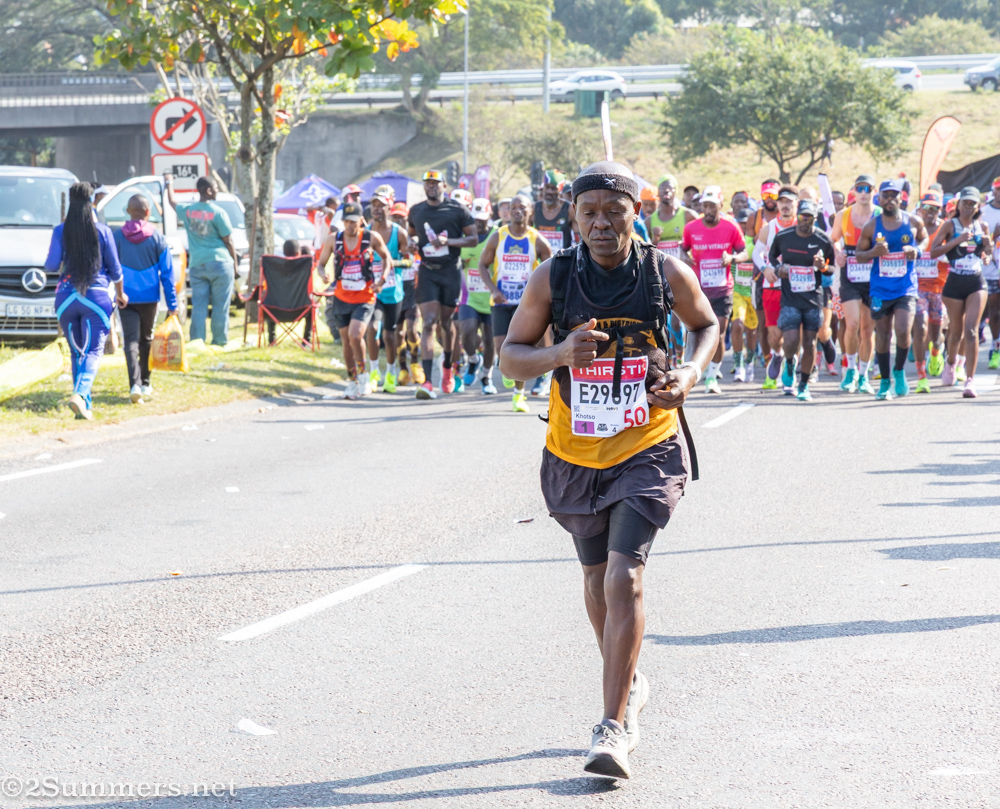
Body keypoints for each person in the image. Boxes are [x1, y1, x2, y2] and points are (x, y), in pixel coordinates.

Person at [499, 161, 717, 780]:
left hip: (648, 444)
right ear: (572, 216)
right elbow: (511, 359)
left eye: (613, 211)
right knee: (596, 580)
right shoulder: (554, 276)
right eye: (588, 212)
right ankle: (629, 680)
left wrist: (689, 374)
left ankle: (612, 727)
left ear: (634, 213)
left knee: (625, 578)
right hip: (574, 453)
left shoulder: (663, 271)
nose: (601, 223)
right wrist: (560, 353)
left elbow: (706, 325)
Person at [44, 182, 127, 420]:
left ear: (71, 203)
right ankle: (80, 394)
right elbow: (116, 270)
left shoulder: (61, 230)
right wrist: (121, 294)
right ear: (92, 202)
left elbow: (50, 265)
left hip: (66, 298)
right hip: (96, 297)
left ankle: (84, 407)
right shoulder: (103, 231)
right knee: (93, 351)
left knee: (76, 352)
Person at [407, 170, 478, 399]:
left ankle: (448, 366)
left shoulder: (457, 209)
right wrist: (410, 244)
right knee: (428, 322)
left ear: (444, 186)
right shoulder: (416, 211)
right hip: (427, 271)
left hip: (450, 272)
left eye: (435, 183)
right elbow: (411, 235)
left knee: (446, 323)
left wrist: (449, 241)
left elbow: (473, 239)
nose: (431, 187)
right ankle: (428, 382)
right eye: (427, 183)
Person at [854, 180, 927, 401]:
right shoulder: (871, 226)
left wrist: (916, 250)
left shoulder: (912, 221)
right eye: (885, 195)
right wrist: (874, 252)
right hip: (880, 288)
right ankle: (885, 382)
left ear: (901, 197)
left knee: (904, 330)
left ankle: (899, 371)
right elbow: (858, 255)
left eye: (893, 195)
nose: (889, 199)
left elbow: (925, 239)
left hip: (905, 287)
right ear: (880, 198)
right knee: (883, 335)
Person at [478, 194, 552, 412]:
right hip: (501, 300)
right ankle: (509, 371)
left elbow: (552, 270)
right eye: (513, 207)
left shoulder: (537, 239)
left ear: (530, 212)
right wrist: (494, 290)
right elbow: (483, 265)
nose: (517, 211)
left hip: (526, 305)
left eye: (522, 207)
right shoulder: (497, 236)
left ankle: (518, 396)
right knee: (502, 349)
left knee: (520, 348)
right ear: (508, 211)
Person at [317, 201, 393, 399]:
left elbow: (387, 259)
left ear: (361, 221)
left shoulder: (371, 238)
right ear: (342, 221)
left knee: (355, 335)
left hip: (364, 297)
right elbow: (321, 264)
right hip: (342, 297)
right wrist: (323, 274)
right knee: (346, 342)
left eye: (354, 222)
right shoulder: (334, 240)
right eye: (346, 222)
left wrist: (382, 281)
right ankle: (352, 380)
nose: (350, 226)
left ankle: (364, 375)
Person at [680, 185, 747, 393]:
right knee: (693, 332)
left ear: (720, 205)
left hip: (722, 289)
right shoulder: (692, 227)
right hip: (698, 290)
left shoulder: (731, 227)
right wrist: (684, 258)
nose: (708, 210)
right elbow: (683, 249)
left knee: (717, 333)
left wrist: (733, 258)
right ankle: (691, 370)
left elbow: (744, 252)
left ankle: (712, 377)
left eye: (712, 206)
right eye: (705, 206)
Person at [113, 194, 179, 404]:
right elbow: (167, 274)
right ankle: (146, 383)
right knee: (146, 339)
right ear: (148, 212)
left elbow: (110, 267)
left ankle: (134, 384)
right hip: (150, 298)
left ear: (127, 211)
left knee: (130, 340)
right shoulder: (158, 238)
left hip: (125, 296)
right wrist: (172, 304)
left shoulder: (118, 237)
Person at [930, 186, 994, 398]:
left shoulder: (981, 225)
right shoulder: (950, 225)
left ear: (978, 206)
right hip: (955, 280)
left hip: (976, 280)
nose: (968, 207)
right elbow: (934, 252)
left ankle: (970, 380)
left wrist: (988, 247)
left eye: (972, 203)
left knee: (972, 330)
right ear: (958, 205)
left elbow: (986, 254)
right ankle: (951, 363)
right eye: (965, 203)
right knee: (956, 331)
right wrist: (957, 240)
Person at [768, 199, 835, 401]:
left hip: (813, 299)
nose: (805, 221)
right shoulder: (784, 236)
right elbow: (772, 257)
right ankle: (789, 363)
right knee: (790, 340)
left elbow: (831, 269)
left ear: (815, 219)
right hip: (790, 298)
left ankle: (804, 385)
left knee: (810, 342)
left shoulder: (823, 240)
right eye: (803, 216)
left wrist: (823, 266)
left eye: (810, 218)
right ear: (798, 216)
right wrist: (780, 269)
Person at [165, 174, 238, 346]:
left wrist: (169, 182)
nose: (218, 190)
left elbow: (171, 201)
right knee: (220, 306)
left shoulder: (188, 211)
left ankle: (197, 340)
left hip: (198, 264)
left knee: (198, 306)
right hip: (220, 263)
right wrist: (234, 264)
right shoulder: (218, 212)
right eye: (216, 187)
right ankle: (219, 341)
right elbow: (228, 241)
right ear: (208, 190)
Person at [830, 174, 879, 394]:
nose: (864, 192)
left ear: (873, 192)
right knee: (852, 324)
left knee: (868, 330)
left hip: (874, 276)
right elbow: (833, 239)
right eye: (860, 188)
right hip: (850, 275)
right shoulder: (843, 215)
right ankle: (850, 370)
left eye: (868, 188)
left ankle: (864, 375)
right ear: (854, 191)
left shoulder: (879, 215)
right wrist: (838, 253)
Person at [365, 187, 411, 394]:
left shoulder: (399, 233)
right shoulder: (365, 232)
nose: (376, 209)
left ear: (389, 207)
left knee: (389, 336)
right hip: (372, 291)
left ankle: (391, 373)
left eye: (381, 206)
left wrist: (393, 263)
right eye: (374, 205)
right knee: (372, 329)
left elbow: (410, 261)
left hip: (393, 291)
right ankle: (374, 374)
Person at [754, 185, 797, 390]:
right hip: (772, 286)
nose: (785, 206)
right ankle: (778, 356)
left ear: (795, 204)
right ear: (778, 204)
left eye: (789, 202)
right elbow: (756, 254)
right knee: (774, 335)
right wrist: (765, 269)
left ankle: (790, 366)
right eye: (782, 202)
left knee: (793, 332)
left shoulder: (803, 225)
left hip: (797, 287)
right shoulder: (768, 227)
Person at [458, 197, 498, 394]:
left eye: (482, 219)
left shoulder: (496, 235)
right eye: (475, 219)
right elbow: (461, 263)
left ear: (490, 216)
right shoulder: (466, 237)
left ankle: (486, 376)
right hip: (469, 297)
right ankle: (473, 360)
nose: (479, 223)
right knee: (467, 331)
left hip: (491, 297)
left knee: (490, 341)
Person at [747, 180, 782, 387]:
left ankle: (782, 361)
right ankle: (769, 363)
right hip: (760, 275)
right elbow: (750, 243)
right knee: (764, 324)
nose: (770, 200)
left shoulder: (786, 218)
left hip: (781, 277)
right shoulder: (756, 217)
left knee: (782, 323)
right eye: (766, 196)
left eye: (774, 196)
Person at [913, 191, 948, 392]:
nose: (930, 212)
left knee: (936, 335)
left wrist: (946, 256)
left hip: (940, 287)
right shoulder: (913, 228)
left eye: (935, 208)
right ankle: (921, 377)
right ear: (920, 209)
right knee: (920, 326)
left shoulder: (945, 228)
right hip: (917, 287)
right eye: (927, 208)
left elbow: (956, 250)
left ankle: (935, 352)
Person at [265, 239, 315, 347]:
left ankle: (271, 339)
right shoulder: (304, 267)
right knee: (312, 302)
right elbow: (311, 289)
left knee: (268, 298)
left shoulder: (273, 266)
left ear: (284, 252)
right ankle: (307, 340)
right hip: (301, 310)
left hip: (274, 311)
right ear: (298, 253)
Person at [730, 208, 758, 383]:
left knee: (752, 331)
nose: (742, 226)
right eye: (739, 222)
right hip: (737, 292)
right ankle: (739, 364)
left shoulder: (756, 241)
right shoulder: (731, 241)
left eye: (745, 223)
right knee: (737, 326)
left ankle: (750, 363)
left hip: (753, 292)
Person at [979, 177, 1000, 368]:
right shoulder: (984, 213)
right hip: (991, 269)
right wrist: (995, 234)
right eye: (998, 189)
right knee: (994, 313)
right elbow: (980, 241)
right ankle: (996, 348)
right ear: (993, 191)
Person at [533, 170, 574, 254]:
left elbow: (579, 239)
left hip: (562, 261)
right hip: (540, 262)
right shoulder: (534, 209)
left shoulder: (569, 209)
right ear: (542, 188)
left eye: (553, 188)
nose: (549, 191)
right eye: (547, 187)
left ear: (560, 190)